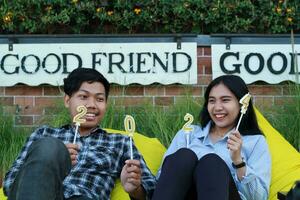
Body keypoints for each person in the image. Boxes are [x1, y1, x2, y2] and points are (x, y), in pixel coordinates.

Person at [3, 68, 156, 200]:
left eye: (100, 99)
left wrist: (135, 189)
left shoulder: (121, 142)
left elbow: (152, 189)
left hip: (85, 196)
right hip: (41, 194)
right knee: (50, 147)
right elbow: (10, 184)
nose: (91, 105)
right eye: (83, 97)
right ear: (67, 100)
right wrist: (55, 161)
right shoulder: (44, 134)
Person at [152, 75, 271, 200]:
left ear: (241, 104)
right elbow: (162, 183)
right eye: (212, 101)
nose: (217, 107)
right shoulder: (187, 134)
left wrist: (238, 162)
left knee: (211, 163)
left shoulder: (255, 141)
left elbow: (259, 197)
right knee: (185, 156)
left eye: (225, 100)